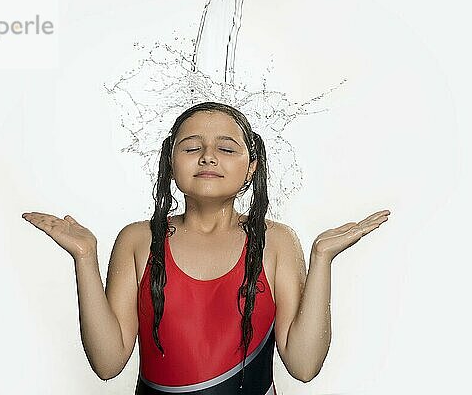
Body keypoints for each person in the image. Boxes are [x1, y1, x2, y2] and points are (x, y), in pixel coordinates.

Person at [22, 101, 390, 394]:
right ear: (170, 163)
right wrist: (85, 258)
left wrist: (322, 258)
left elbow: (304, 366)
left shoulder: (276, 242)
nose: (208, 156)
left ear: (251, 168)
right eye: (192, 147)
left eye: (226, 148)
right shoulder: (138, 240)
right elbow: (107, 364)